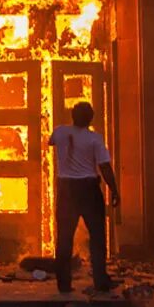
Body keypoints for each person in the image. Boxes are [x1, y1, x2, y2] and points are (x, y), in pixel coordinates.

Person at [49, 101, 120, 293]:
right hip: (88, 189)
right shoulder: (95, 139)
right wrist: (114, 189)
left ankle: (63, 284)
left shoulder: (60, 132)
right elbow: (104, 167)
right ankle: (100, 281)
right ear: (91, 118)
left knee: (64, 238)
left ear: (72, 115)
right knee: (97, 237)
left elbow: (51, 141)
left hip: (66, 190)